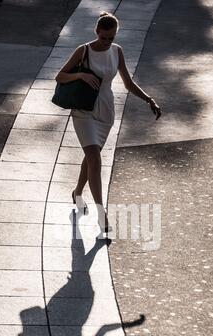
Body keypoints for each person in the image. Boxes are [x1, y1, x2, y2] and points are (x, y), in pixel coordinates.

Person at [55, 11, 161, 232]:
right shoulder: (83, 50)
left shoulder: (117, 51)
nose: (107, 42)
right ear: (97, 32)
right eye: (104, 37)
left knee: (91, 158)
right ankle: (101, 214)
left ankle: (77, 193)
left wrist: (149, 99)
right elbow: (60, 76)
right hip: (84, 111)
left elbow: (128, 83)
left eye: (111, 38)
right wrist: (81, 75)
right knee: (94, 158)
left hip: (106, 111)